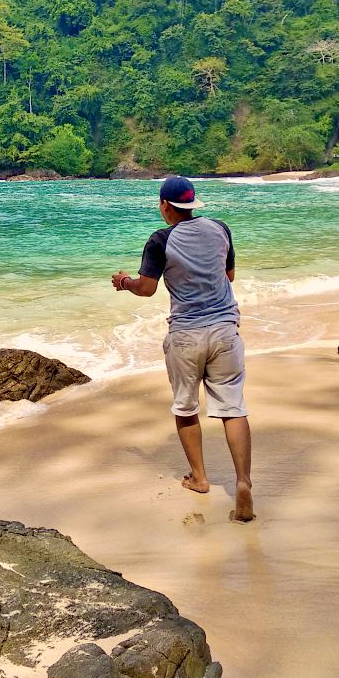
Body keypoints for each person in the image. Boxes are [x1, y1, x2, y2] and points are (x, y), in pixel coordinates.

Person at [111, 175, 254, 522]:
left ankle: (200, 479)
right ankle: (244, 482)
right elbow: (229, 276)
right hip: (225, 330)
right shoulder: (220, 228)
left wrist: (124, 282)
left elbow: (146, 289)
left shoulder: (161, 239)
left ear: (164, 206)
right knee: (233, 408)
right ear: (192, 204)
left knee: (186, 407)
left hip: (187, 335)